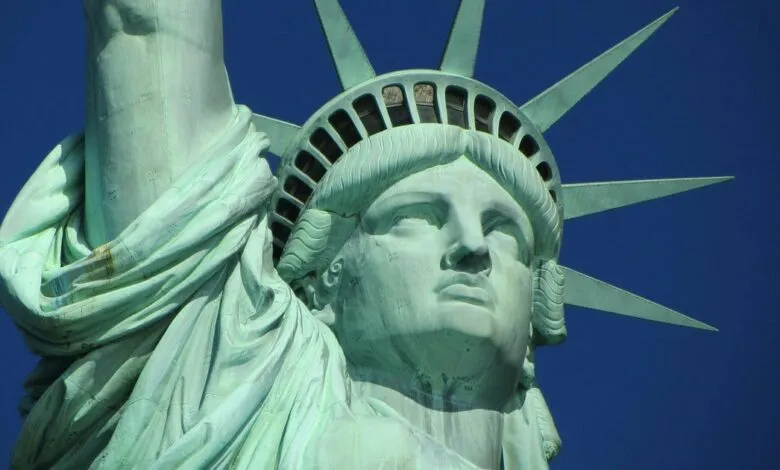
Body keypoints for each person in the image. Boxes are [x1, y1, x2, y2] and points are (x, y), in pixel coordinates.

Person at [0, 0, 726, 468]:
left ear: (541, 296)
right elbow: (146, 25)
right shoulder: (217, 375)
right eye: (415, 217)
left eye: (506, 231)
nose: (472, 246)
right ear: (322, 276)